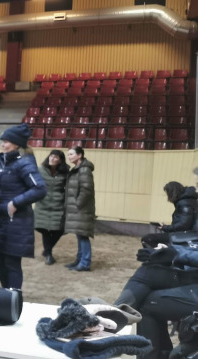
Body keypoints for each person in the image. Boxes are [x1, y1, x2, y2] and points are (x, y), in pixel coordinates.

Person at [114, 169, 198, 359]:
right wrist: (168, 245)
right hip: (191, 274)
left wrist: (176, 254)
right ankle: (114, 314)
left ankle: (113, 320)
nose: (195, 191)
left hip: (193, 279)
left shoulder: (188, 204)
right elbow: (193, 239)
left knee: (148, 302)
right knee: (149, 270)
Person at [0, 124, 46, 290]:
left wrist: (15, 203)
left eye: (6, 141)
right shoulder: (7, 164)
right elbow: (3, 194)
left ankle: (13, 296)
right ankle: (8, 294)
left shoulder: (24, 164)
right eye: (3, 141)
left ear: (17, 143)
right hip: (1, 219)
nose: (3, 145)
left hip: (16, 221)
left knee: (11, 262)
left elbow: (40, 189)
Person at [34, 150, 69, 265]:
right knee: (44, 230)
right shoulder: (40, 170)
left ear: (60, 160)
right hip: (42, 204)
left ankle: (47, 251)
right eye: (51, 156)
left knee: (60, 230)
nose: (52, 158)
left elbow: (69, 187)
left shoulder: (65, 172)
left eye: (55, 157)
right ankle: (48, 254)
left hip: (58, 205)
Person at [64, 146, 96, 272]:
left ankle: (85, 263)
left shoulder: (84, 169)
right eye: (68, 154)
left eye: (71, 154)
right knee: (80, 235)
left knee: (83, 236)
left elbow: (86, 189)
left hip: (82, 209)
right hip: (79, 209)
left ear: (80, 155)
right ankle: (80, 260)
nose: (69, 157)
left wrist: (78, 204)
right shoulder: (78, 169)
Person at [140, 181, 197, 249]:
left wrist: (165, 228)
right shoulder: (186, 201)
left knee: (148, 239)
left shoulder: (185, 204)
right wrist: (165, 227)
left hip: (185, 235)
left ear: (173, 193)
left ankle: (164, 253)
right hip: (186, 234)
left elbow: (184, 225)